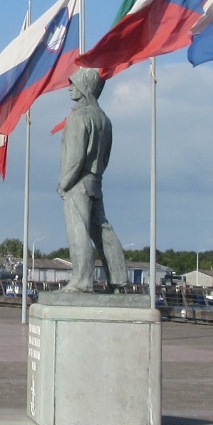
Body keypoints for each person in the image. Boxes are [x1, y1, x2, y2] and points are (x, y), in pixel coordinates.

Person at [57, 67, 129, 292]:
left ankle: (82, 280)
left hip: (77, 183)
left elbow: (76, 157)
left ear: (85, 88)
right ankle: (119, 279)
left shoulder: (78, 118)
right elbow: (105, 156)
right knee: (103, 229)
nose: (70, 87)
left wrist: (64, 183)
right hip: (96, 181)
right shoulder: (104, 120)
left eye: (74, 83)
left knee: (79, 230)